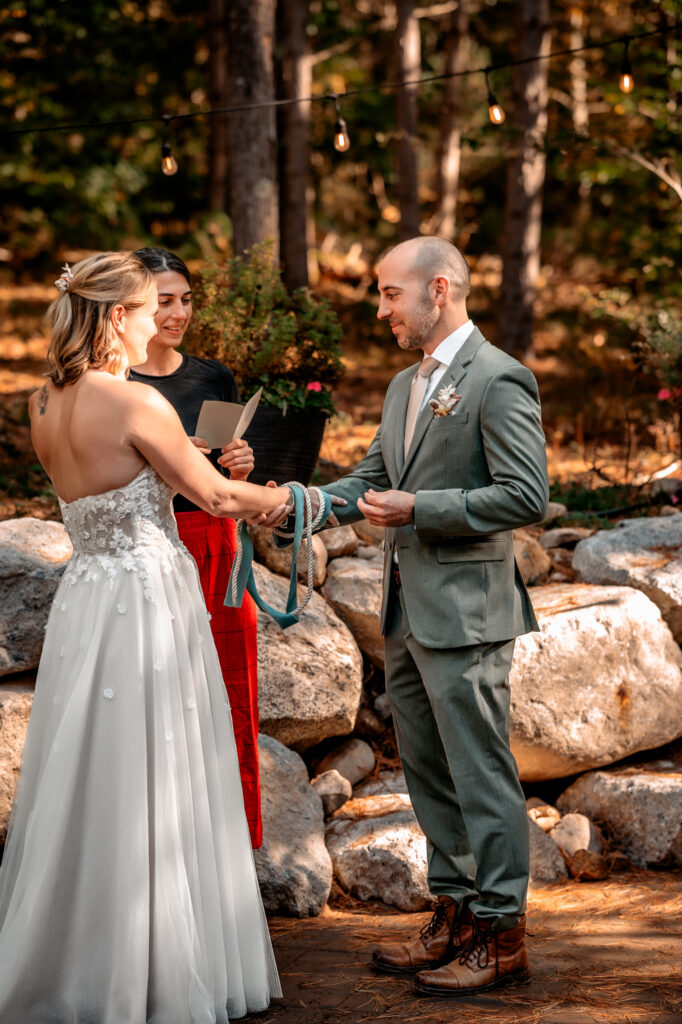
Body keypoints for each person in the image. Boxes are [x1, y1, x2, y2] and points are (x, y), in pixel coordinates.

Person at [0, 251, 291, 1023]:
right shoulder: (132, 401)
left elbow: (106, 482)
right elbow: (218, 496)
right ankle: (155, 968)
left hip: (88, 594)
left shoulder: (40, 401)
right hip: (146, 594)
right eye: (145, 310)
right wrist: (295, 500)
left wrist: (178, 463)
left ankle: (75, 954)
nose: (157, 323)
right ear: (114, 317)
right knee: (157, 765)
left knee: (92, 766)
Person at [319, 236, 549, 997]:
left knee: (480, 772)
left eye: (390, 293)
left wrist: (424, 509)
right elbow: (374, 476)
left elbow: (524, 496)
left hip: (469, 613)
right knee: (427, 771)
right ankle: (454, 913)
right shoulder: (401, 385)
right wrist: (300, 502)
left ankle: (502, 933)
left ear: (438, 290)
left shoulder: (500, 379)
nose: (379, 307)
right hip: (407, 613)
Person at [128, 246, 264, 848]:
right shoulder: (115, 382)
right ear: (130, 306)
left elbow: (228, 477)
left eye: (185, 299)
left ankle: (233, 843)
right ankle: (157, 843)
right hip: (153, 544)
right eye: (164, 301)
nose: (178, 312)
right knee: (158, 701)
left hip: (217, 540)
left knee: (230, 693)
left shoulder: (212, 377)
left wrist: (240, 462)